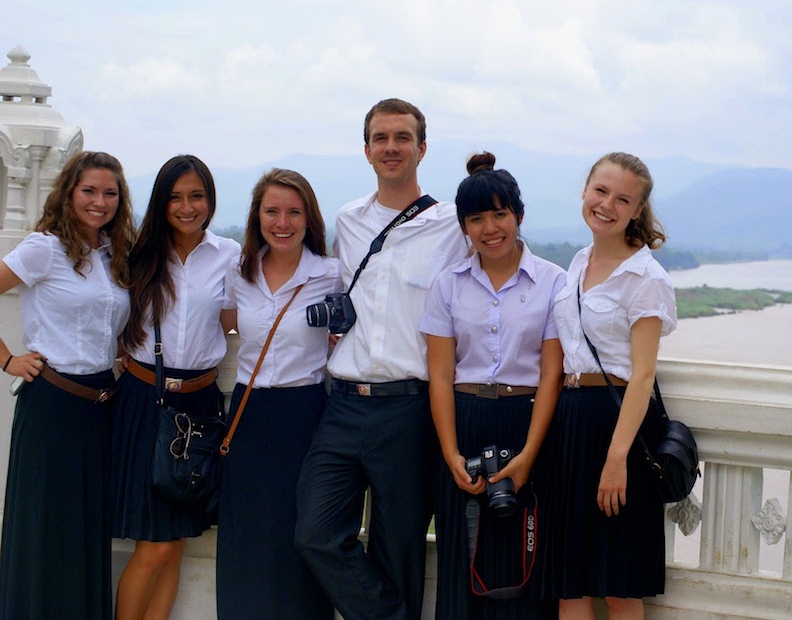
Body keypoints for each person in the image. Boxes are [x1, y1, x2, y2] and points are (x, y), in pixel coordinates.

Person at [294, 98, 469, 620]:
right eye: (380, 138)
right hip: (343, 403)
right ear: (366, 148)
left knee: (400, 549)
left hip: (409, 408)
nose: (391, 147)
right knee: (316, 533)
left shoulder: (451, 226)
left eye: (402, 137)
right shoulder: (347, 220)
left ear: (421, 147)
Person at [419, 152, 564, 620]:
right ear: (464, 226)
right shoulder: (448, 285)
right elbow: (440, 375)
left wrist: (529, 455)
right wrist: (450, 454)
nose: (489, 228)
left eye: (499, 214)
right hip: (463, 422)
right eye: (476, 218)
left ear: (518, 216)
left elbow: (550, 378)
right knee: (462, 557)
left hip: (527, 424)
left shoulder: (553, 283)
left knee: (526, 554)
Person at [535, 153, 677, 619]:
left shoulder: (645, 277)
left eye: (623, 199)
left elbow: (642, 374)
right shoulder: (578, 263)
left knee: (618, 584)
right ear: (585, 191)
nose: (607, 205)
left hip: (618, 429)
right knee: (569, 580)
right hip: (570, 423)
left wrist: (617, 460)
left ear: (638, 210)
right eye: (600, 191)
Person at [0, 151, 134, 620]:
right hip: (52, 405)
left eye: (110, 193)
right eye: (90, 191)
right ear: (69, 193)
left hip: (100, 408)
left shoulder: (114, 255)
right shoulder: (44, 248)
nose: (100, 202)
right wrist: (7, 360)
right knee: (44, 531)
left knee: (85, 531)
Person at [111, 155, 241, 620]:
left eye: (197, 196)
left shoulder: (228, 255)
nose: (187, 207)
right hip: (146, 402)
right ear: (161, 202)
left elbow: (236, 321)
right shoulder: (135, 254)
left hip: (201, 404)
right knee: (154, 546)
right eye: (175, 198)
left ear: (210, 199)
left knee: (177, 544)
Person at [217, 169, 339, 620]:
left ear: (309, 218)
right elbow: (223, 324)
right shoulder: (237, 271)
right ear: (257, 216)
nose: (282, 222)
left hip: (304, 415)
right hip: (248, 413)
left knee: (298, 537)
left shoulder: (330, 273)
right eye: (272, 211)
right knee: (245, 535)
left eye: (293, 211)